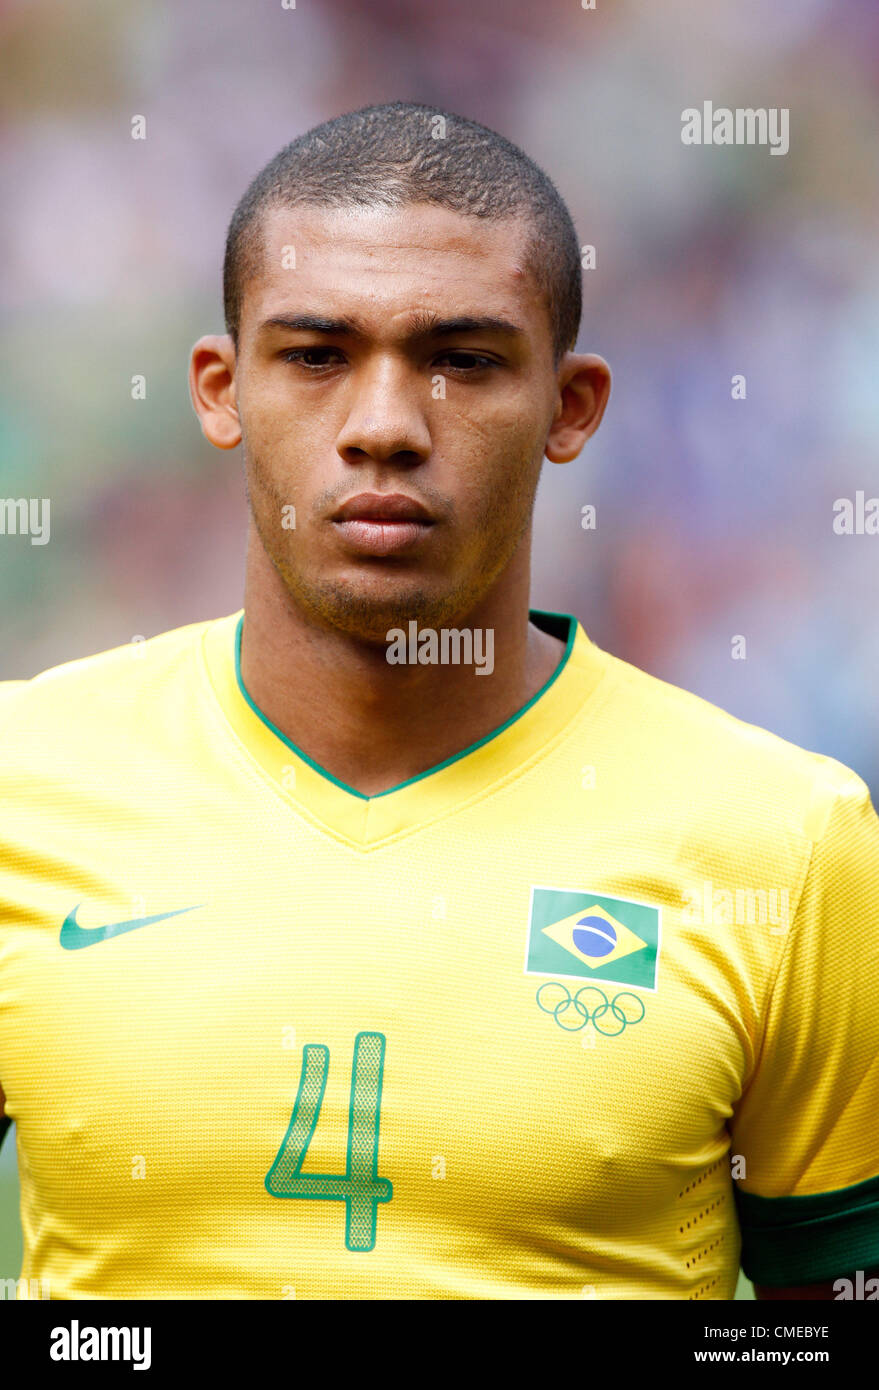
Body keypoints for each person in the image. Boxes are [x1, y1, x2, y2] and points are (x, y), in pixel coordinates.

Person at [1, 101, 877, 1301]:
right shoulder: (24, 780)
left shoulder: (788, 838)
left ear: (572, 407)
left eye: (463, 360)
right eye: (315, 355)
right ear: (220, 389)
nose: (384, 428)